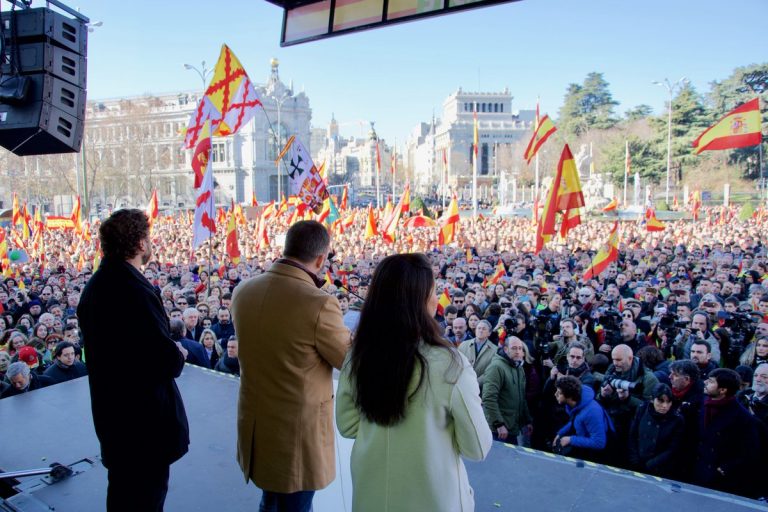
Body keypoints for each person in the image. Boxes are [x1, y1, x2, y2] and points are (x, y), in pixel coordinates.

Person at [336, 253, 491, 511]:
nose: (437, 299)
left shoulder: (358, 355)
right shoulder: (451, 363)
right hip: (434, 500)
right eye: (434, 290)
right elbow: (477, 447)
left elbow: (348, 425)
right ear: (419, 300)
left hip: (371, 498)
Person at [232, 220, 349, 512]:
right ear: (321, 258)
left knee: (270, 501)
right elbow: (349, 360)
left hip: (257, 429)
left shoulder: (243, 291)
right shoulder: (320, 304)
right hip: (297, 437)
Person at [78, 209, 189, 512]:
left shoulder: (97, 286)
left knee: (123, 497)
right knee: (144, 500)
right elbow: (161, 358)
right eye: (149, 238)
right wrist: (177, 353)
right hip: (144, 426)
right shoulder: (133, 290)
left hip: (115, 418)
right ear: (141, 243)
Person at [695, 368, 759, 497]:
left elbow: (749, 451)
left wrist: (724, 469)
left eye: (711, 381)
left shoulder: (742, 417)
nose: (705, 382)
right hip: (699, 471)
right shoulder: (704, 403)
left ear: (723, 390)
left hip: (721, 480)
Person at [482, 335, 533, 444]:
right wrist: (498, 424)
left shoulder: (518, 368)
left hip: (512, 427)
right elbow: (488, 398)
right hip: (499, 430)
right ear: (506, 349)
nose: (518, 351)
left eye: (520, 348)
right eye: (514, 348)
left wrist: (527, 420)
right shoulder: (496, 367)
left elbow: (521, 398)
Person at [627, 383, 684, 479]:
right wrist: (635, 459)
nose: (665, 406)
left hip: (660, 469)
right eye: (660, 401)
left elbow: (672, 448)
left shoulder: (677, 419)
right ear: (652, 399)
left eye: (668, 401)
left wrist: (652, 463)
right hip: (637, 463)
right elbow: (633, 435)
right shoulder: (642, 409)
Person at [553, 375, 610, 461]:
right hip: (584, 448)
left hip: (595, 457)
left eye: (560, 393)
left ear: (570, 397)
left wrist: (570, 440)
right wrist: (560, 433)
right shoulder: (576, 403)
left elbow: (599, 443)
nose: (555, 394)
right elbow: (575, 421)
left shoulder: (592, 412)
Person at [457, 319, 496, 388]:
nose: (481, 330)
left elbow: (490, 372)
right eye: (479, 328)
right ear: (475, 330)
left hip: (481, 388)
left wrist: (475, 383)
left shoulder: (494, 350)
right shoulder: (463, 345)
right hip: (462, 384)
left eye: (484, 329)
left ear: (489, 333)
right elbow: (457, 363)